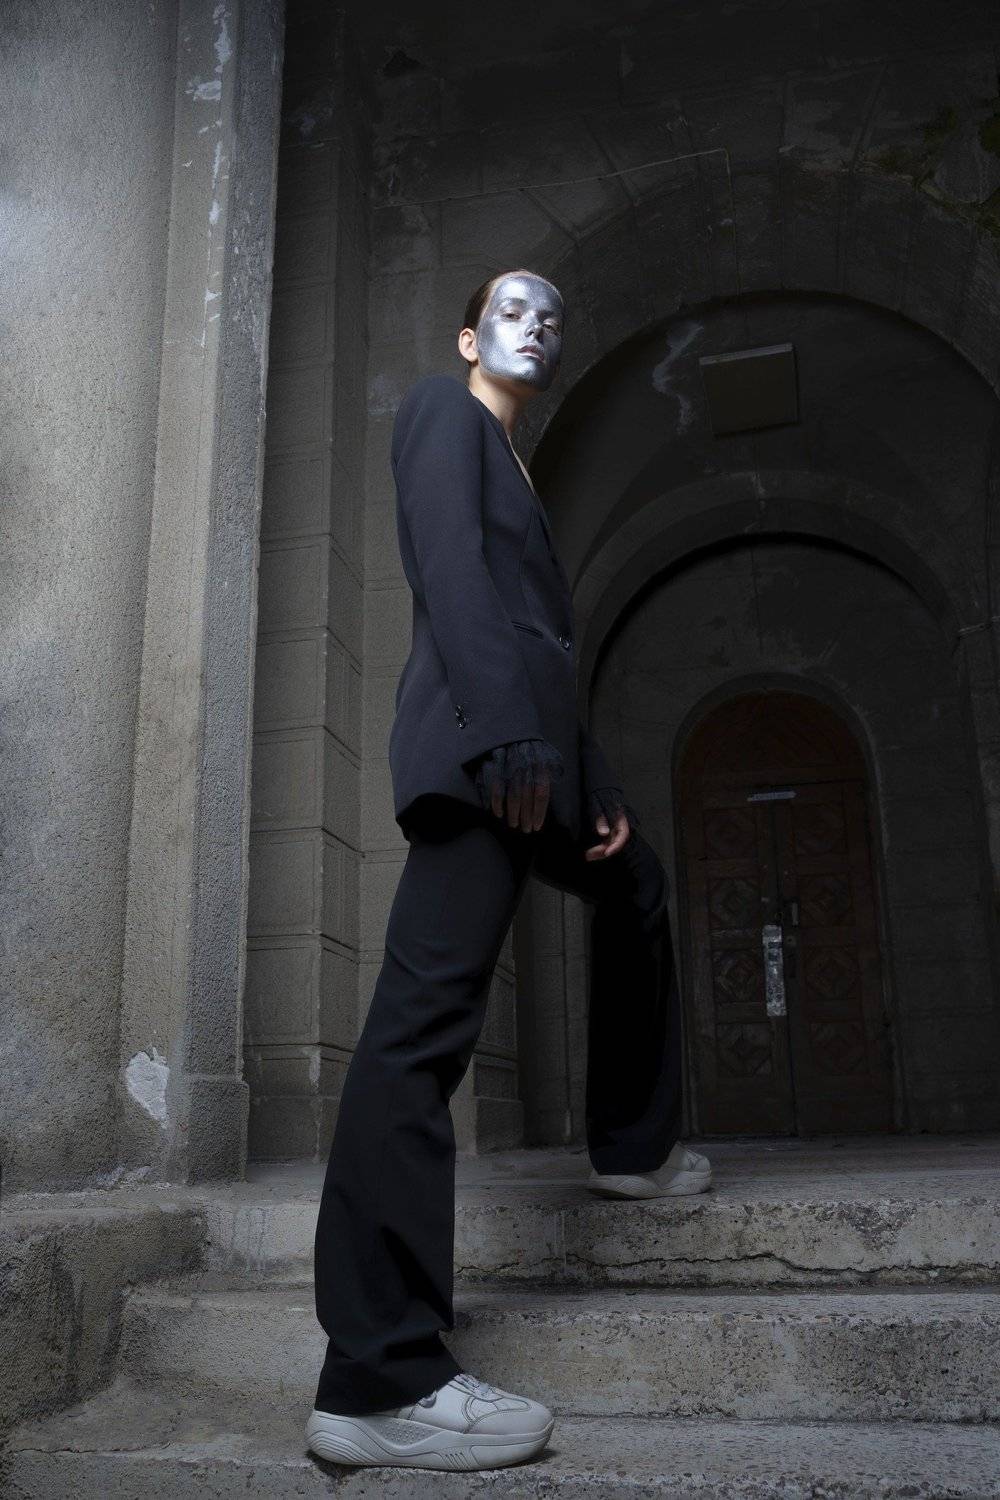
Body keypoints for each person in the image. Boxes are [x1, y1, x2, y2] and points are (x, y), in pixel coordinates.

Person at [305, 269, 711, 1473]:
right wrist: (500, 737)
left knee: (637, 886)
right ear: (469, 337)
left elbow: (541, 640)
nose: (536, 327)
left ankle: (631, 1149)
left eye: (553, 318)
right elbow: (450, 572)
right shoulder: (443, 411)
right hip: (484, 753)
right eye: (513, 311)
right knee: (420, 1030)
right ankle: (378, 1379)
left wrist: (598, 784)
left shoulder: (518, 467)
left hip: (536, 755)